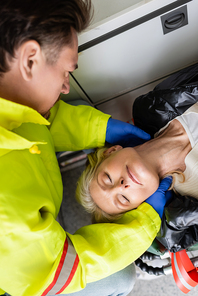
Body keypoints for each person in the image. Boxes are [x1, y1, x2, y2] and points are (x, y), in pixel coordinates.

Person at [0, 1, 171, 296]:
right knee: (121, 279)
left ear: (111, 150)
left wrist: (99, 128)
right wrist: (145, 223)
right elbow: (60, 269)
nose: (66, 86)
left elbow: (37, 119)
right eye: (66, 71)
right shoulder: (7, 213)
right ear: (29, 60)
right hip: (18, 279)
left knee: (76, 106)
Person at [76, 63, 198, 224]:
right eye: (124, 199)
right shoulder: (193, 193)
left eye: (107, 179)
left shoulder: (152, 106)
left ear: (110, 151)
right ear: (142, 204)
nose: (121, 187)